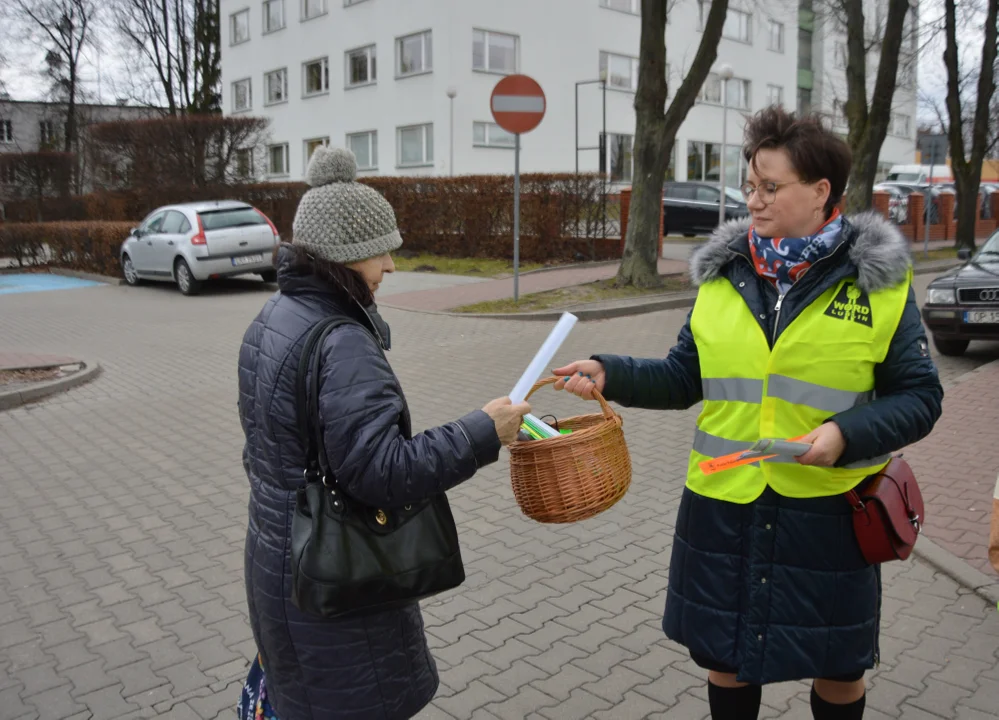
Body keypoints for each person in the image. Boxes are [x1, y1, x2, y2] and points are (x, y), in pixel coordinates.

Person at [555, 107, 943, 720]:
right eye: (750, 187)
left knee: (839, 669)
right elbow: (687, 376)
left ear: (820, 192)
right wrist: (613, 372)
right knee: (727, 663)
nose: (753, 202)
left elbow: (921, 399)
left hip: (828, 515)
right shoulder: (722, 275)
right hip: (724, 507)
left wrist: (844, 433)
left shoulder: (879, 283)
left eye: (770, 187)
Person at [236, 146, 529, 720]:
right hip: (336, 583)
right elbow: (381, 471)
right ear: (345, 257)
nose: (391, 264)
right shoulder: (341, 339)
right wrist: (483, 432)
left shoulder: (273, 317)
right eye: (379, 251)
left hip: (277, 562)